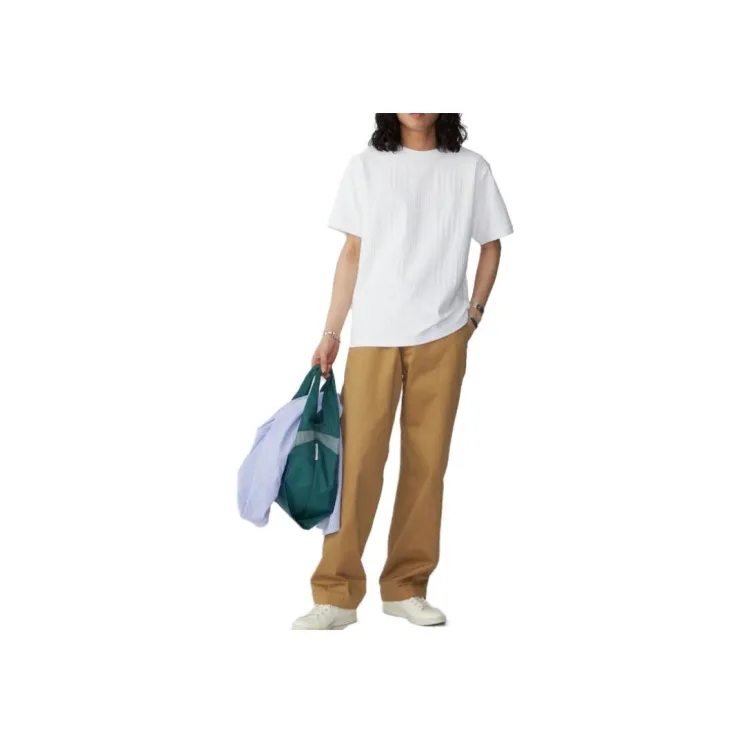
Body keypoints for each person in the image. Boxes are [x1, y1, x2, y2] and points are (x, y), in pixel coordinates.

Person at [292, 113, 513, 629]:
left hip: (443, 335)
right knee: (357, 465)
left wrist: (473, 315)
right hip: (374, 335)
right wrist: (331, 332)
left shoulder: (470, 169)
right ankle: (337, 595)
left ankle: (406, 587)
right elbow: (352, 253)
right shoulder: (366, 166)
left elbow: (492, 244)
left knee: (426, 465)